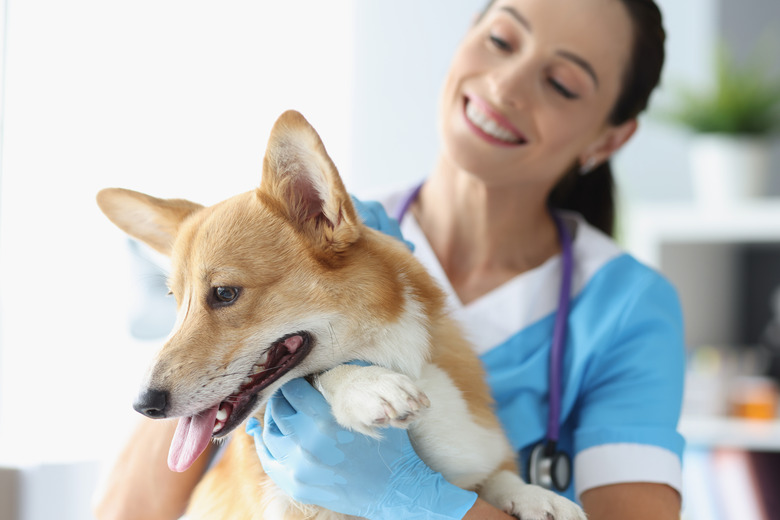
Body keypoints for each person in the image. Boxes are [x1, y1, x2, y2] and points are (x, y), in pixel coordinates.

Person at [94, 0, 685, 519]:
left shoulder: (627, 308)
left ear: (608, 139)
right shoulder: (303, 236)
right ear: (464, 39)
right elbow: (130, 509)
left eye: (561, 82)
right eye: (501, 40)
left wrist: (417, 501)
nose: (506, 86)